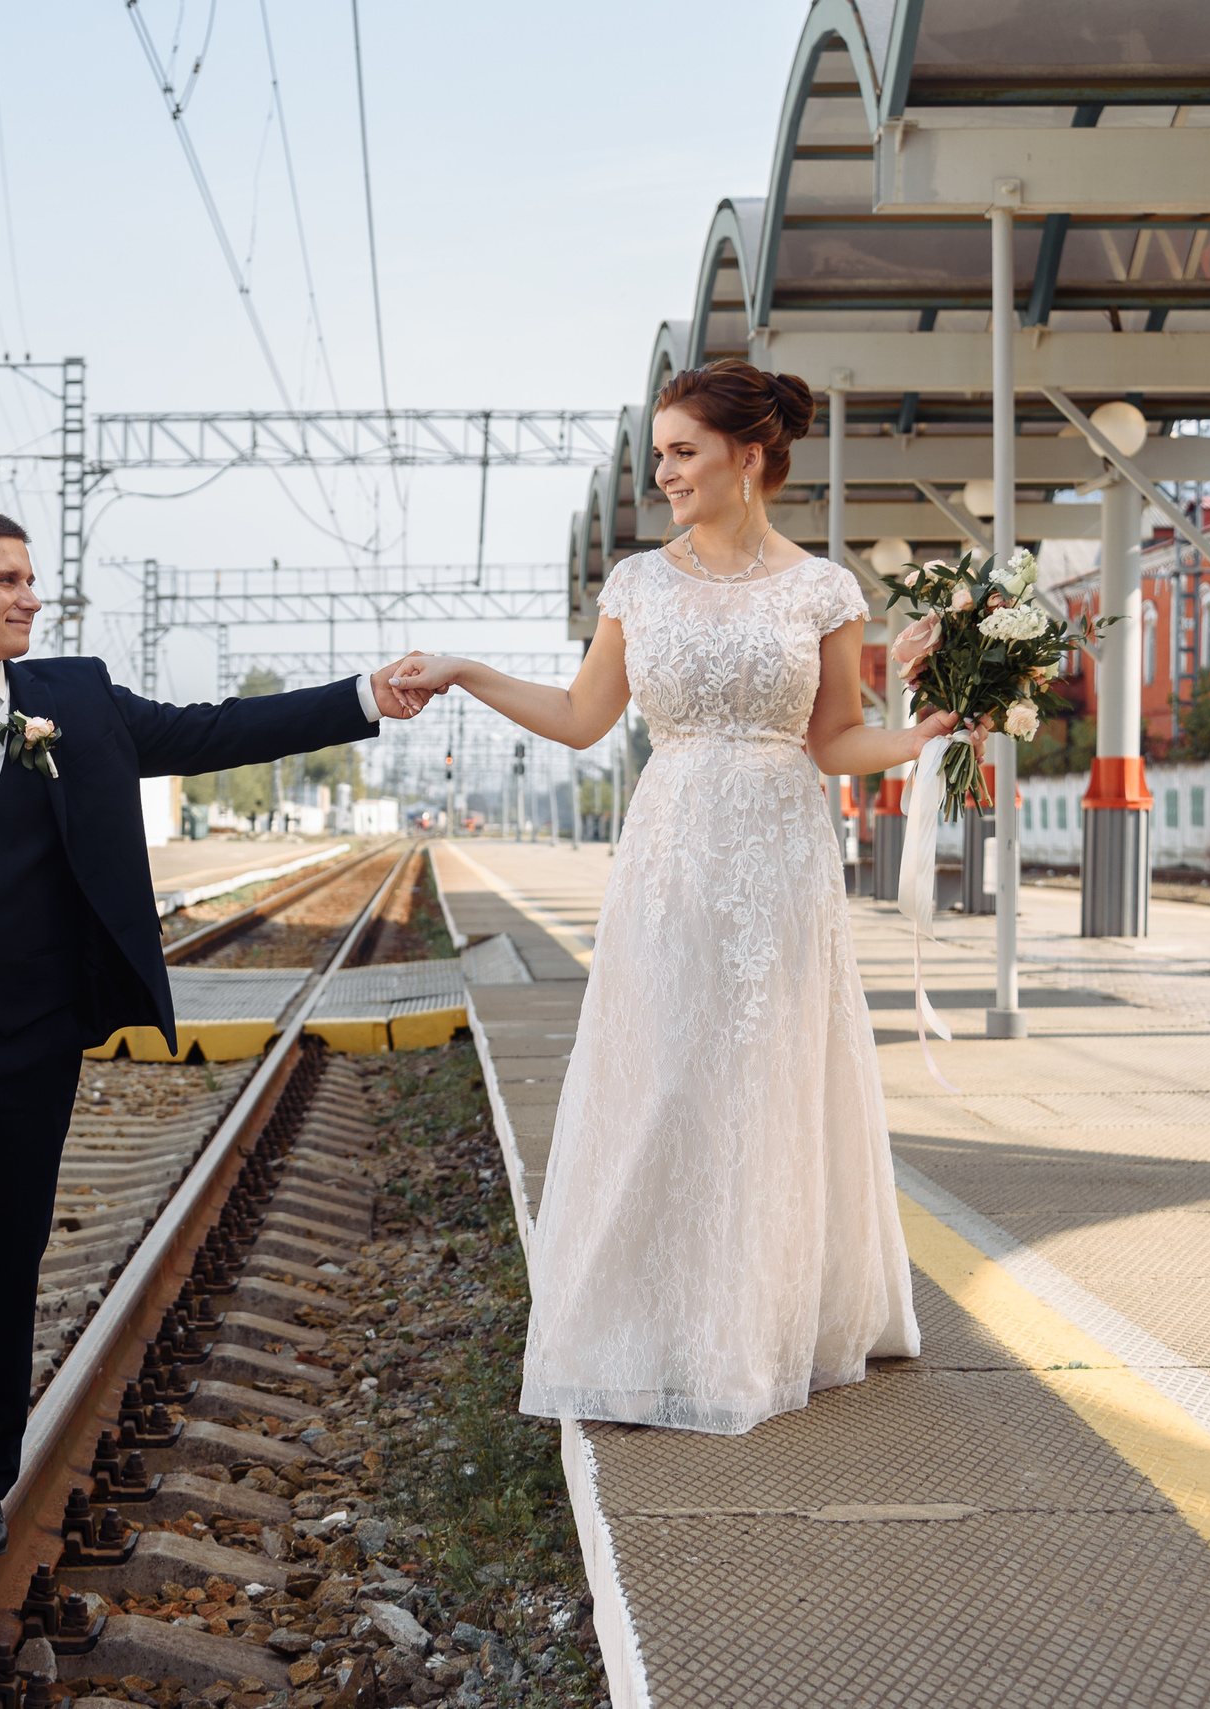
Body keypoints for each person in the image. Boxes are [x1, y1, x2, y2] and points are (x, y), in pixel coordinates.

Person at [0, 509, 428, 1587]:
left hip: (28, 1041)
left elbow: (216, 731)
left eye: (33, 579)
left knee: (3, 1262)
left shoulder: (74, 699)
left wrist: (360, 696)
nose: (31, 596)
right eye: (7, 579)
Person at [388, 359, 955, 1435]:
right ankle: (641, 1322)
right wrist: (466, 669)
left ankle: (753, 1325)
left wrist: (919, 735)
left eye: (683, 452)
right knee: (661, 1074)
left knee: (759, 1077)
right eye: (657, 455)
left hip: (780, 851)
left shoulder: (823, 589)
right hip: (666, 849)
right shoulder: (638, 584)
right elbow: (577, 716)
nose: (664, 475)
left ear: (750, 457)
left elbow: (835, 738)